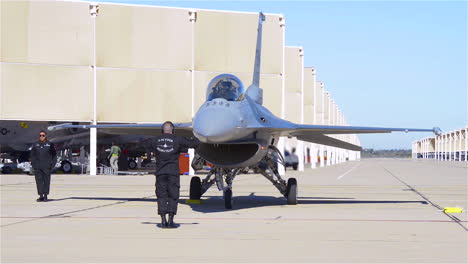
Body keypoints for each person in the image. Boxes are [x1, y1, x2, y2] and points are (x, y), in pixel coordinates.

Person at [152, 121, 200, 228]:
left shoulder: (156, 140)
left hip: (160, 173)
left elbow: (142, 144)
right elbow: (195, 144)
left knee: (161, 196)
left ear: (162, 130)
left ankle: (163, 220)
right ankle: (171, 220)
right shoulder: (177, 139)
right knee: (173, 196)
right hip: (173, 173)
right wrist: (197, 136)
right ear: (173, 130)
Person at [30, 130, 57, 202]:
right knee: (39, 181)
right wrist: (33, 164)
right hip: (38, 166)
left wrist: (52, 165)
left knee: (46, 181)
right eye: (40, 135)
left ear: (46, 136)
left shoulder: (50, 144)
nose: (41, 137)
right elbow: (32, 155)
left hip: (46, 166)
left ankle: (45, 196)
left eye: (43, 135)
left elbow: (54, 156)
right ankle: (41, 196)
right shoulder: (35, 144)